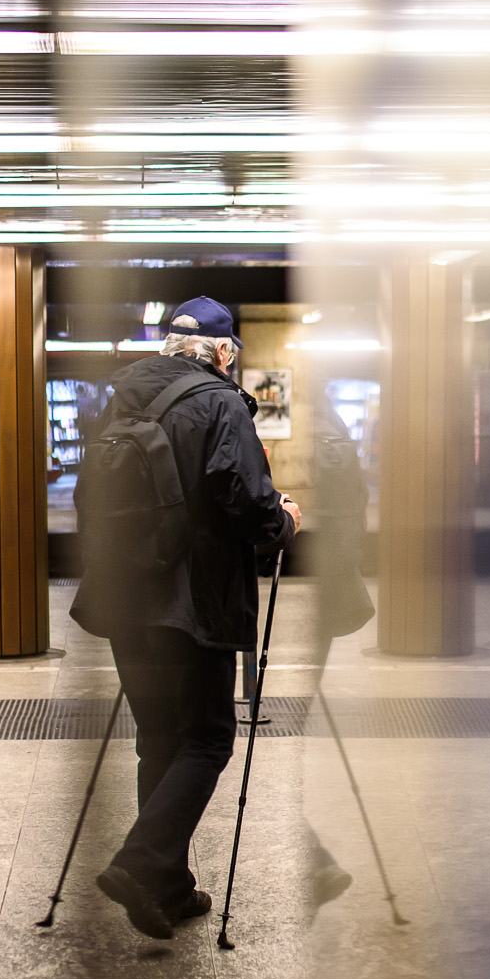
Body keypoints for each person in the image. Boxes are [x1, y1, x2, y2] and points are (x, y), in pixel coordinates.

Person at [71, 296, 301, 939]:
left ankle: (167, 887)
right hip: (191, 605)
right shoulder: (221, 402)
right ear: (224, 352)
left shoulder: (120, 400)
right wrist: (282, 518)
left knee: (159, 738)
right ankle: (141, 865)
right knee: (207, 738)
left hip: (123, 599)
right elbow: (243, 500)